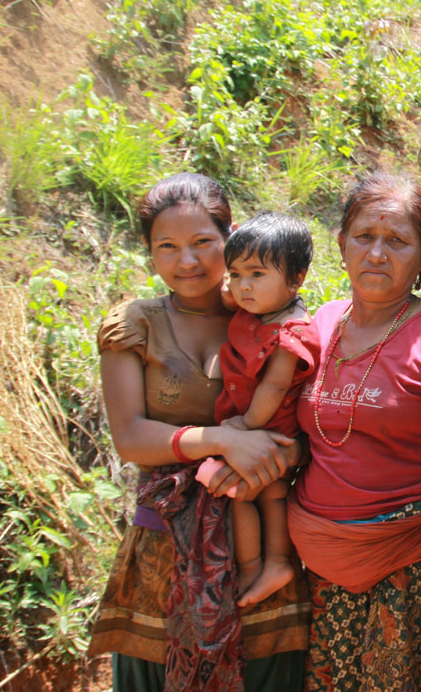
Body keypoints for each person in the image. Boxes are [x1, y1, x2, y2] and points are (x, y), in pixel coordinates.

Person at [89, 173, 308, 691]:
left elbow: (310, 419)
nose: (186, 261)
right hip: (165, 545)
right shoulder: (135, 324)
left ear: (229, 238)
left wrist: (287, 454)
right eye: (167, 246)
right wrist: (223, 440)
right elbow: (130, 437)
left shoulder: (273, 317)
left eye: (203, 242)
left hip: (263, 532)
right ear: (149, 252)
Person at [288, 171, 421, 691]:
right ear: (341, 245)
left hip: (413, 574)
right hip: (317, 577)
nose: (376, 253)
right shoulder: (319, 325)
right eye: (364, 236)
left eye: (397, 241)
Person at [197, 211, 317, 608]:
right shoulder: (262, 305)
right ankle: (272, 564)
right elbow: (232, 294)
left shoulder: (290, 333)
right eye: (235, 273)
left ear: (296, 279)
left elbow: (275, 385)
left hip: (267, 430)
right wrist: (236, 285)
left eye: (257, 274)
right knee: (270, 494)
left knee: (246, 495)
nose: (243, 285)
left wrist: (246, 426)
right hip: (256, 430)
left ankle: (258, 567)